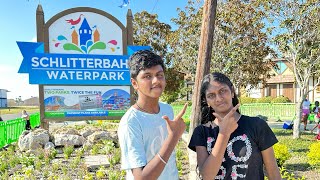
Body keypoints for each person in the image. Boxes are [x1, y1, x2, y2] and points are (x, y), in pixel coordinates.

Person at [188, 72, 281, 180]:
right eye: (211, 95)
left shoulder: (256, 125)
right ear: (206, 100)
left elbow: (272, 170)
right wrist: (224, 133)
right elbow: (207, 176)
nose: (218, 98)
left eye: (222, 91)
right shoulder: (202, 132)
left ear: (232, 92)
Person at [117, 50, 187, 180]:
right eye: (147, 76)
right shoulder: (131, 122)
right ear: (134, 83)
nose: (156, 81)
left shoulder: (167, 110)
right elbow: (141, 178)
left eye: (159, 75)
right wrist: (174, 137)